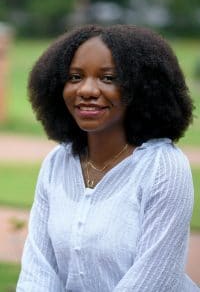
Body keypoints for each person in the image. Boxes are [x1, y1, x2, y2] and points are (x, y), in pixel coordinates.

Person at [16, 24, 200, 292]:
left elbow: (152, 281)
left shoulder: (163, 168)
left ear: (142, 88)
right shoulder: (57, 162)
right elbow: (38, 269)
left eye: (108, 78)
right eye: (75, 77)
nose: (87, 90)